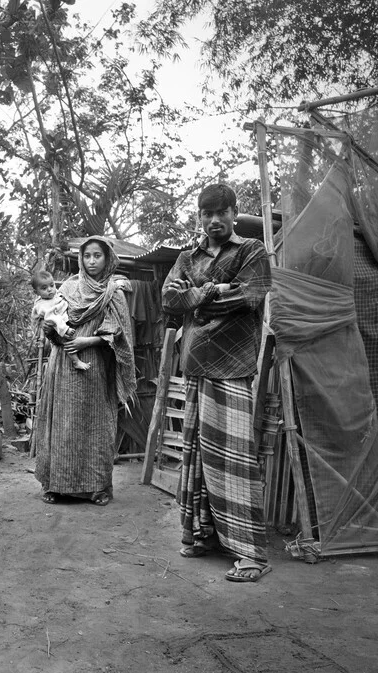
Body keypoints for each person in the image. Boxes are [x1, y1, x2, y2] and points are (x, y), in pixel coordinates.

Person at [161, 183, 273, 582]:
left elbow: (248, 297)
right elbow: (168, 299)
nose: (213, 221)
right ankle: (202, 535)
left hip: (233, 368)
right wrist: (212, 291)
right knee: (196, 459)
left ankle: (251, 555)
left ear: (233, 213)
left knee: (236, 460)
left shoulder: (252, 252)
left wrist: (198, 295)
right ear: (199, 217)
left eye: (220, 212)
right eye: (206, 214)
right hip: (196, 365)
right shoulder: (187, 256)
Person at [32, 236, 137, 507]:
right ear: (81, 258)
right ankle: (56, 485)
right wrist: (50, 330)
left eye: (97, 256)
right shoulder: (67, 287)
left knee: (95, 425)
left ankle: (98, 487)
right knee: (61, 425)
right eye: (87, 255)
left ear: (107, 258)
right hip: (63, 366)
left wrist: (85, 341)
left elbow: (119, 332)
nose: (91, 261)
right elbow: (53, 322)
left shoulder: (113, 292)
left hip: (94, 366)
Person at [30, 269, 90, 371]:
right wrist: (65, 329)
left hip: (63, 323)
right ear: (37, 292)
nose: (50, 289)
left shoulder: (55, 294)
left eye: (52, 285)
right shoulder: (42, 305)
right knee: (68, 342)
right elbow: (53, 319)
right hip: (57, 330)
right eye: (44, 288)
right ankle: (76, 361)